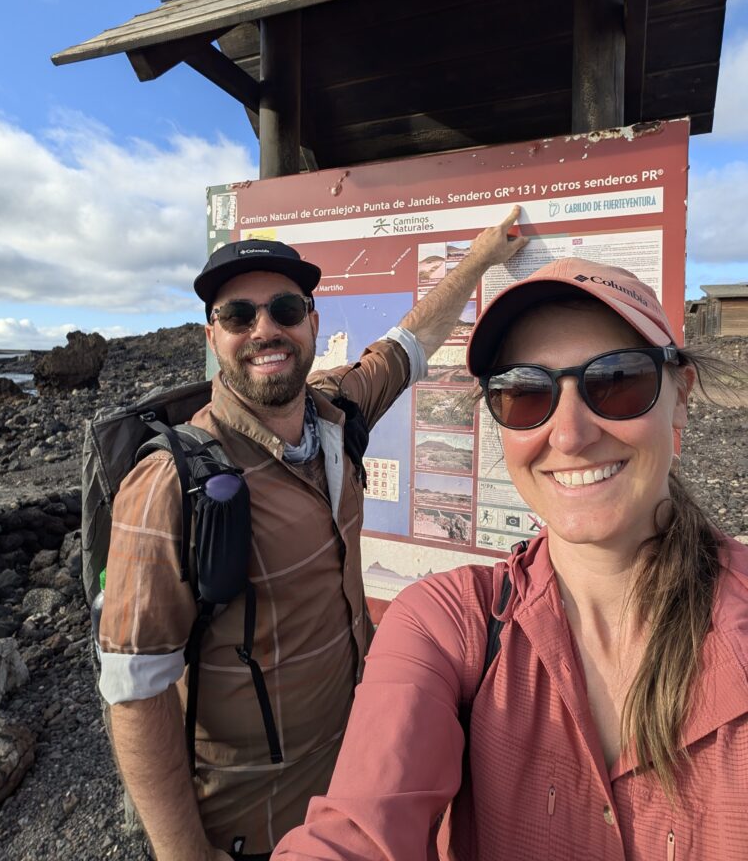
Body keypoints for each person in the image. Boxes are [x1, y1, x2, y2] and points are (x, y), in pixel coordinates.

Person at [274, 257, 748, 861]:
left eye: (617, 381)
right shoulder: (447, 625)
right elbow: (356, 834)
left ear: (679, 399)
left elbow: (395, 355)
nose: (570, 435)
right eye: (526, 393)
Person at [97, 210, 528, 861]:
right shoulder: (167, 484)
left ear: (312, 323)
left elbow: (410, 342)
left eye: (286, 308)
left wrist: (483, 256)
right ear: (212, 336)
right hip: (252, 827)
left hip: (351, 784)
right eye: (239, 316)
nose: (265, 329)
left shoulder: (336, 412)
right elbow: (135, 693)